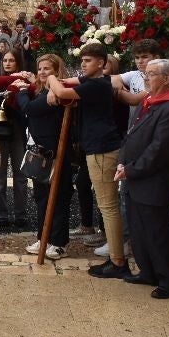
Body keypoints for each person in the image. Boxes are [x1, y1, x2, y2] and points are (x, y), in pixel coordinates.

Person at [47, 42, 128, 278]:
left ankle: (118, 261)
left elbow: (62, 92)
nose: (83, 65)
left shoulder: (97, 85)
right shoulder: (94, 82)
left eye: (88, 61)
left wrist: (51, 78)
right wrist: (58, 84)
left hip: (102, 148)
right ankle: (117, 258)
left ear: (101, 63)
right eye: (81, 60)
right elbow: (70, 83)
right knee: (107, 204)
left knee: (108, 206)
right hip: (98, 146)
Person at [116, 59, 169, 297]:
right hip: (135, 178)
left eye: (151, 74)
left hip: (152, 181)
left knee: (158, 233)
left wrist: (131, 169)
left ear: (166, 79)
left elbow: (159, 150)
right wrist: (123, 161)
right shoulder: (150, 101)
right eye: (145, 74)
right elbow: (132, 134)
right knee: (139, 230)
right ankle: (147, 271)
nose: (145, 78)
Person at [21, 54, 77, 259]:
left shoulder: (58, 92)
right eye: (40, 68)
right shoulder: (41, 91)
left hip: (57, 151)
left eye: (47, 69)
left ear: (56, 71)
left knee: (59, 196)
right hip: (39, 151)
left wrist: (21, 93)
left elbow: (29, 108)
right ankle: (43, 236)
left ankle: (59, 241)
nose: (43, 72)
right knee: (41, 197)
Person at [0, 49, 29, 228]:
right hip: (0, 131)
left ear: (18, 62)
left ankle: (20, 213)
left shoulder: (24, 82)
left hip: (17, 130)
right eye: (5, 60)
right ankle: (1, 213)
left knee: (20, 174)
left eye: (11, 60)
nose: (7, 63)